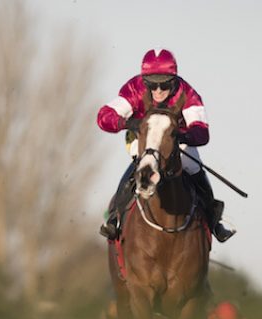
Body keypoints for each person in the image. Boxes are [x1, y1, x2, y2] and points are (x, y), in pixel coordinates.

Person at [96, 48, 235, 242]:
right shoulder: (134, 88)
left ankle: (213, 221)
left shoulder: (187, 92)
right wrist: (127, 123)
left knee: (193, 165)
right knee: (141, 161)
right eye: (152, 85)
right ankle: (114, 219)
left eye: (164, 84)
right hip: (141, 137)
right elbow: (103, 116)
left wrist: (179, 135)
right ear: (144, 82)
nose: (158, 90)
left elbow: (202, 131)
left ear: (174, 80)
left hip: (176, 139)